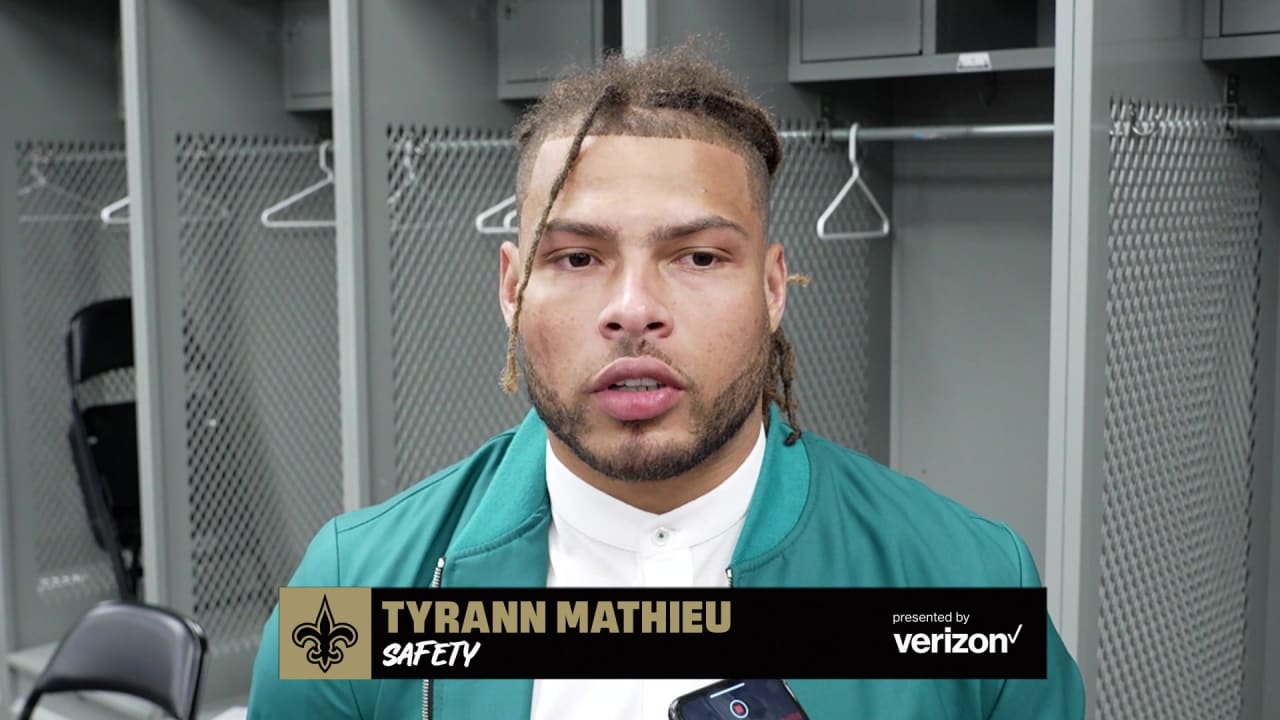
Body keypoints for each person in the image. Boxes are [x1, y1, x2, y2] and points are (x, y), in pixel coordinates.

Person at [247, 46, 1085, 719]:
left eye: (698, 257)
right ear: (511, 288)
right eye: (577, 257)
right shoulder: (351, 602)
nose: (633, 310)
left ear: (771, 285)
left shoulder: (967, 591)